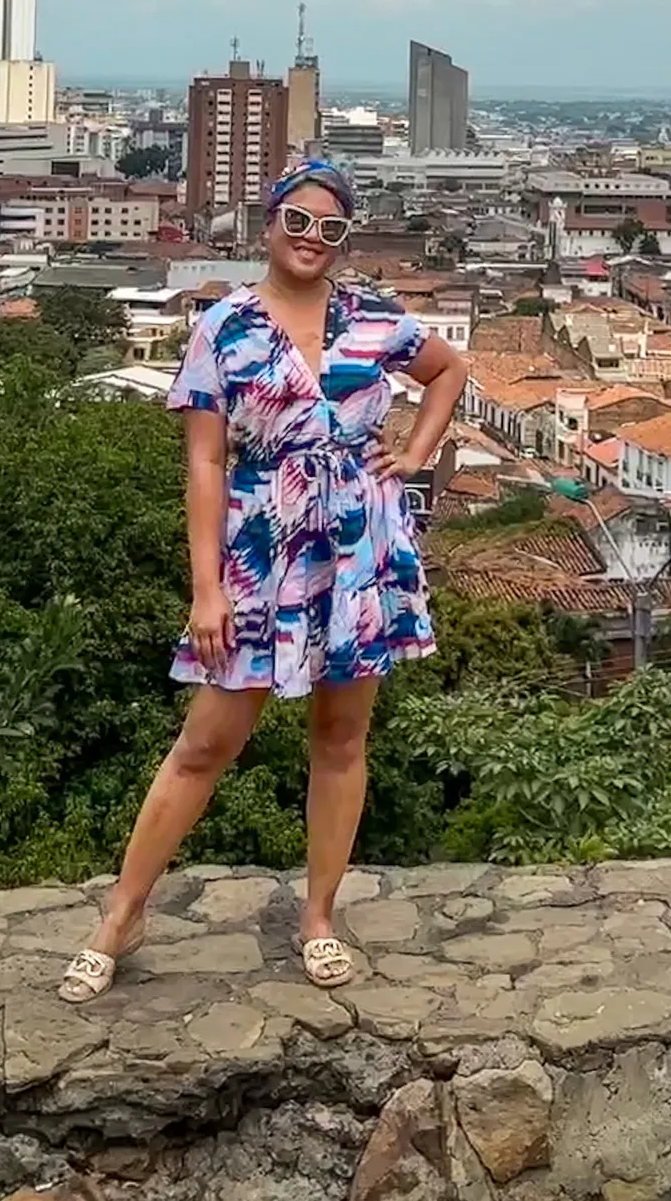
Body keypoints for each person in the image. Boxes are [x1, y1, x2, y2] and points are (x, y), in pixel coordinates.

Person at [59, 158, 468, 1002]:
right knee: (207, 740)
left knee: (342, 737)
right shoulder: (226, 327)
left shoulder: (373, 318)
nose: (312, 239)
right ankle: (121, 914)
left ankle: (319, 915)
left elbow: (449, 370)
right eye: (298, 221)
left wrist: (417, 451)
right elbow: (205, 464)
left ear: (346, 240)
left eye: (331, 229)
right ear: (268, 223)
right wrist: (206, 588)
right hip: (260, 546)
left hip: (358, 543)